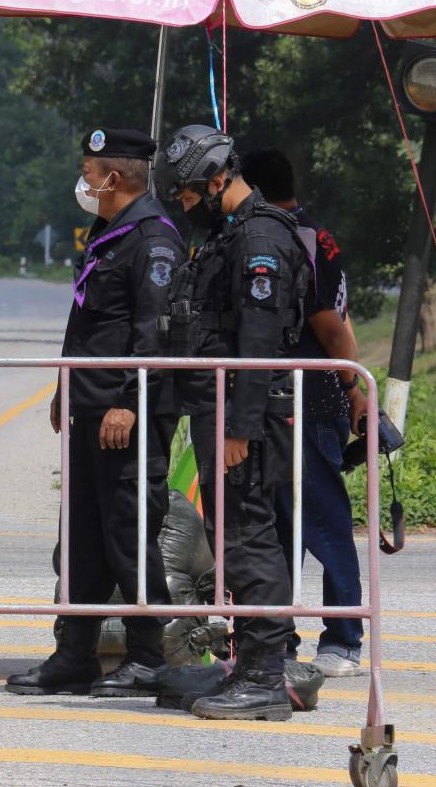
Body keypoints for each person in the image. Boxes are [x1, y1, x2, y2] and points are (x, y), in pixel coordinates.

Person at [6, 128, 187, 699]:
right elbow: (88, 322)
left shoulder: (154, 240)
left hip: (127, 417)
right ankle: (74, 655)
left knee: (129, 538)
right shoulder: (110, 233)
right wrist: (67, 387)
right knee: (82, 539)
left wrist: (128, 404)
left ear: (113, 177)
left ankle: (147, 657)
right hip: (90, 408)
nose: (83, 182)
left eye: (89, 171)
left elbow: (152, 334)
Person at [155, 124, 310, 722]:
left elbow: (260, 339)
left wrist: (240, 428)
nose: (187, 205)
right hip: (219, 407)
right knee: (235, 538)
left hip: (244, 412)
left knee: (249, 540)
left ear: (219, 179)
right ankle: (248, 666)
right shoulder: (231, 235)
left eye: (192, 194)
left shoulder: (260, 238)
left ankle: (266, 675)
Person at [242, 148, 367, 677]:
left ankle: (343, 637)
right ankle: (279, 636)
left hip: (308, 398)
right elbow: (344, 315)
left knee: (322, 521)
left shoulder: (292, 237)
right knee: (276, 528)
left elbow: (329, 324)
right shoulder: (315, 230)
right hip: (293, 398)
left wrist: (351, 386)